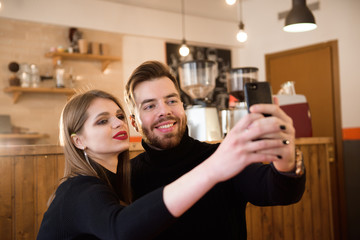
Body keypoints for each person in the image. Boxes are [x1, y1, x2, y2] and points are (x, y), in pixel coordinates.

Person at [37, 89, 279, 240]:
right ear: (78, 140)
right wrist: (213, 168)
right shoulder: (77, 189)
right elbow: (120, 230)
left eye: (119, 116)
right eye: (102, 121)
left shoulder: (115, 182)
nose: (117, 124)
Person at [124, 60, 306, 239]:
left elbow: (278, 192)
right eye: (150, 106)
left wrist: (287, 161)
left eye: (171, 100)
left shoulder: (222, 155)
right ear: (134, 122)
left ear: (182, 106)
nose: (164, 111)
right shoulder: (126, 176)